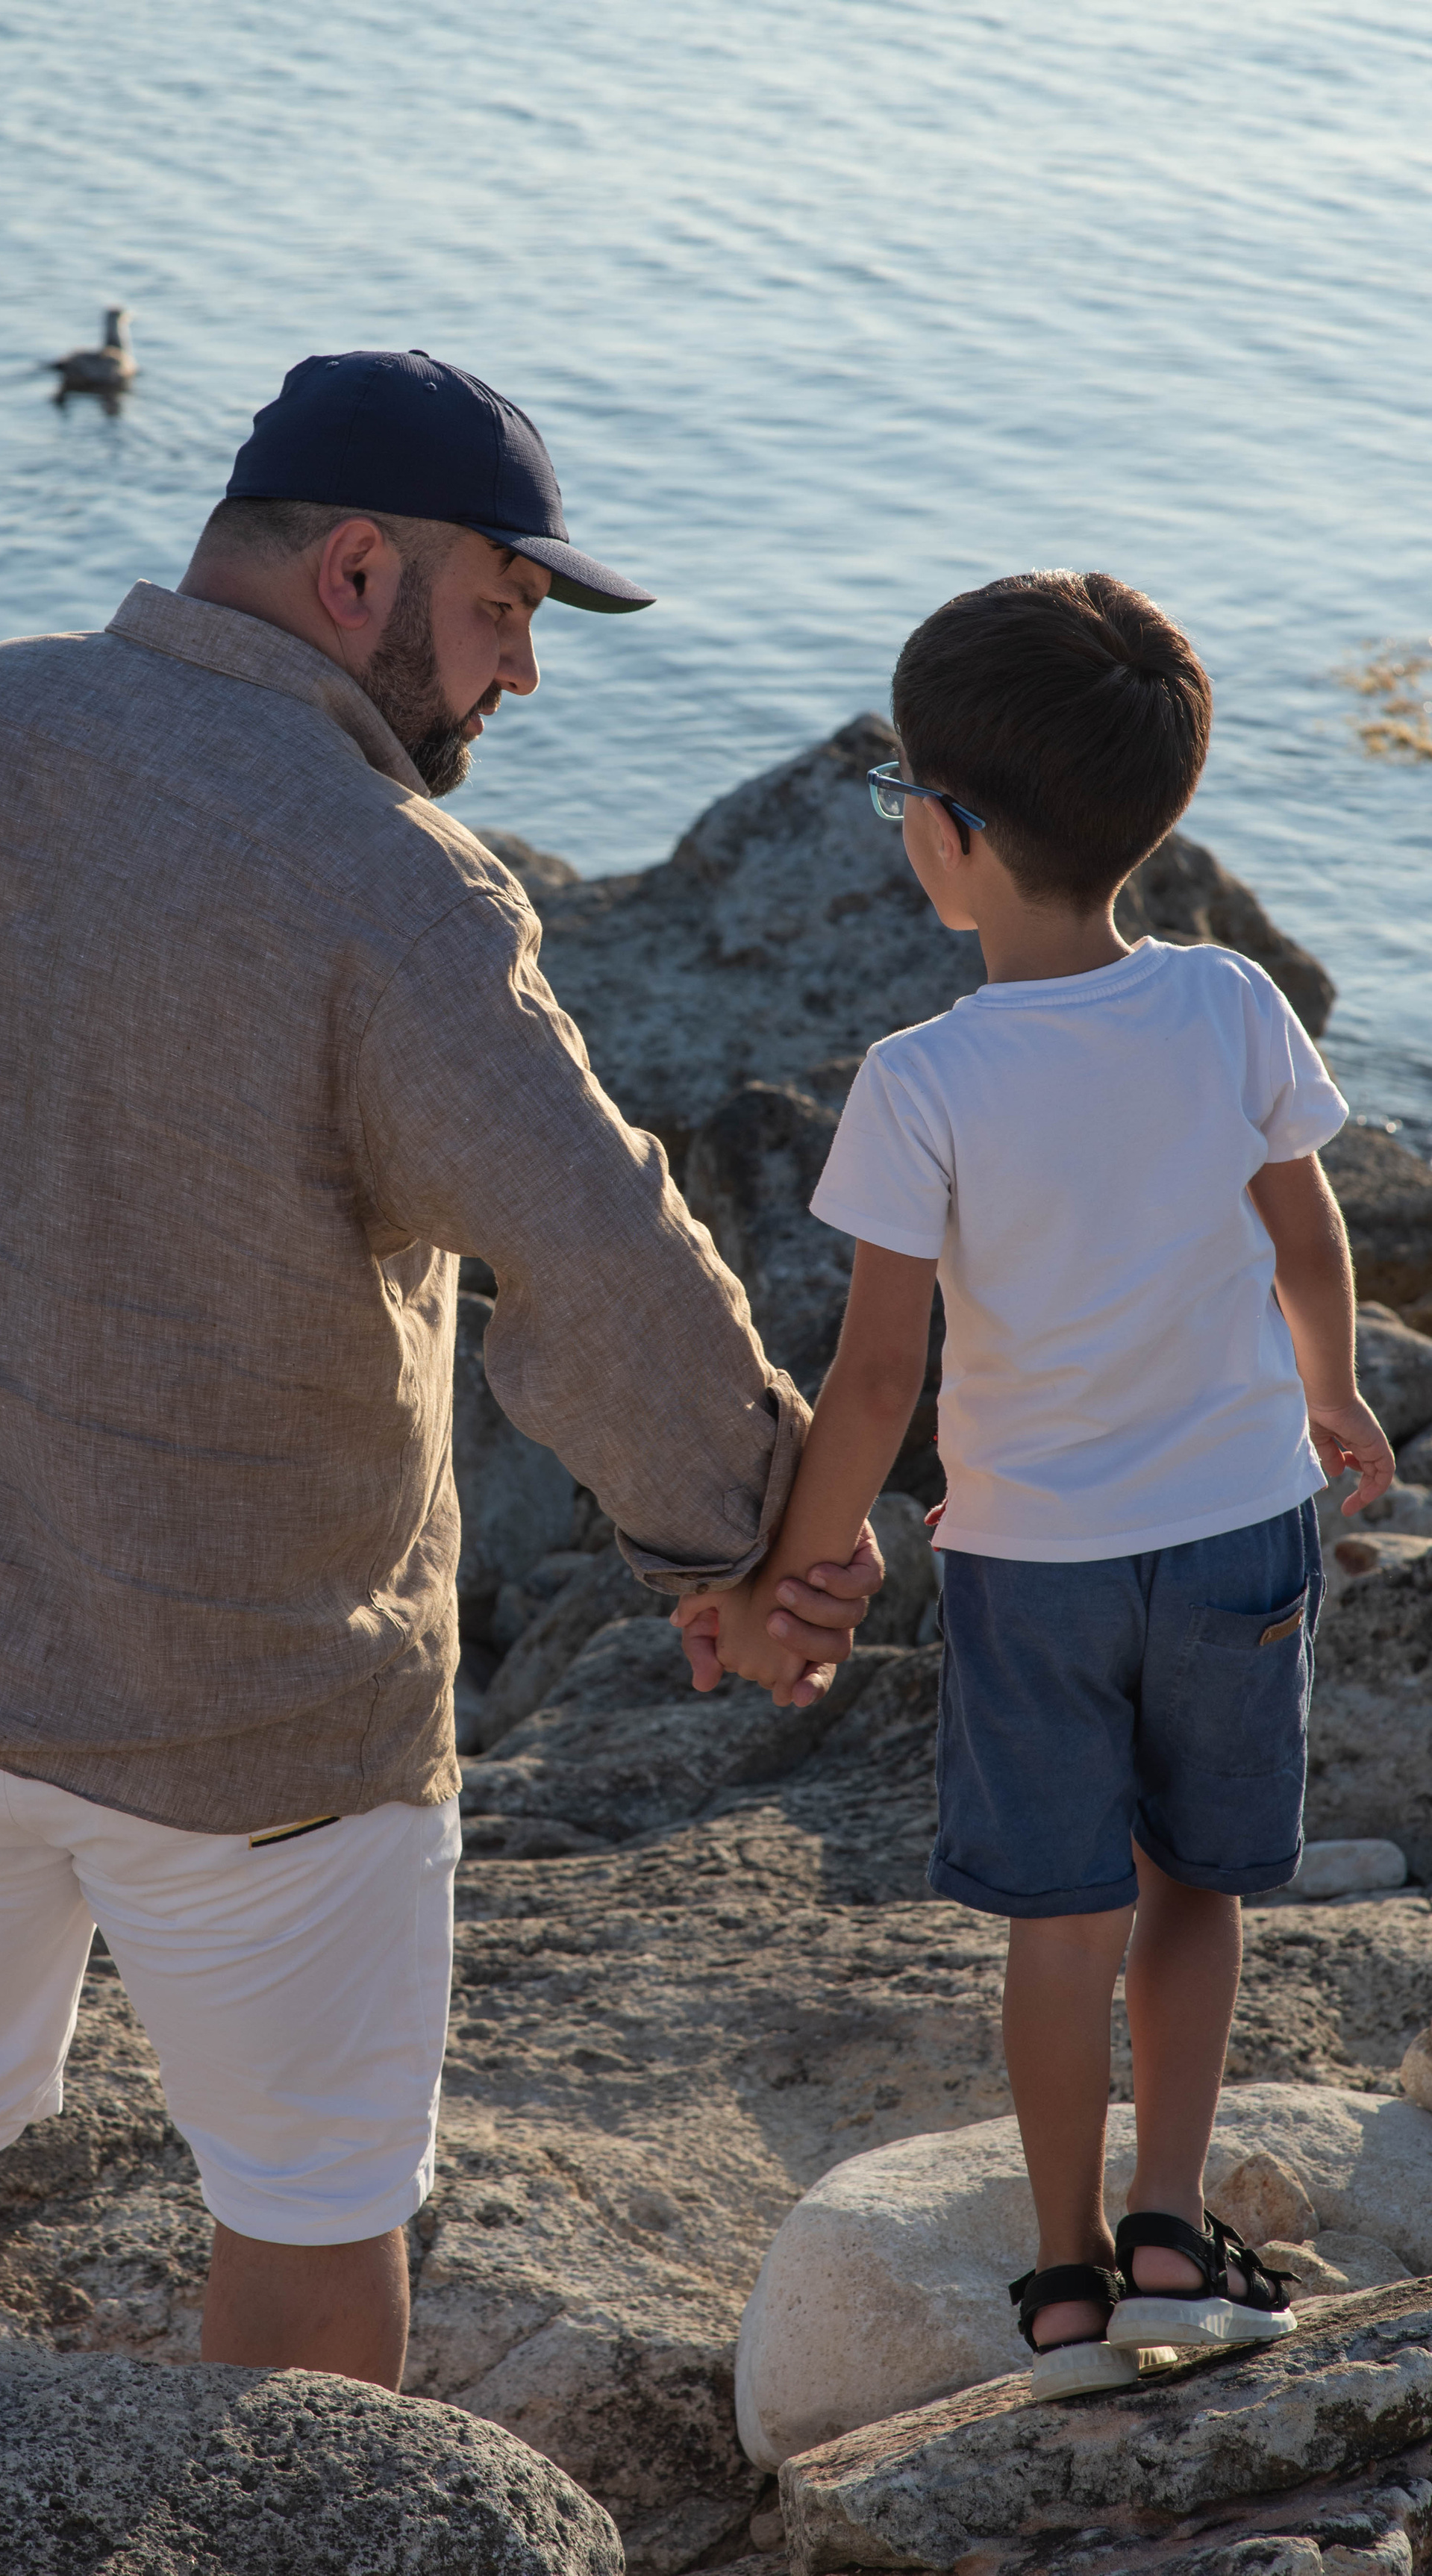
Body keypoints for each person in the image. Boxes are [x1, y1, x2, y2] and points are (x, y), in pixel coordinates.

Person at [0, 347, 884, 2527]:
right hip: (262, 1708)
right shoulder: (388, 877)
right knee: (311, 2219)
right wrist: (742, 1544)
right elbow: (590, 1252)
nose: (515, 678)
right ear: (357, 568)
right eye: (504, 613)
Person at [675, 569, 1393, 2399]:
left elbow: (877, 1378)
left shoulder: (920, 1078)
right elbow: (1305, 1237)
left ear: (952, 836)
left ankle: (1063, 2281)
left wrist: (796, 1564)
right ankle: (1173, 2228)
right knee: (1194, 1891)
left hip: (1029, 1566)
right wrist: (1334, 1400)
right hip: (1237, 1523)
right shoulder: (1229, 1003)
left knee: (1057, 1916)